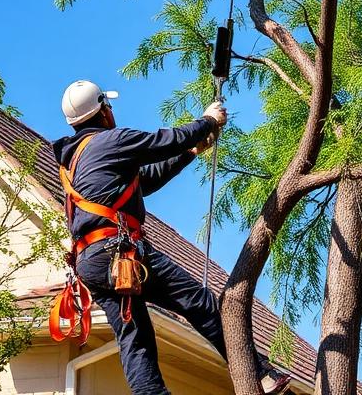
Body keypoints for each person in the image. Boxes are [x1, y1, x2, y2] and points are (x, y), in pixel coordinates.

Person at [52, 80, 291, 395]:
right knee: (199, 302)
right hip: (119, 252)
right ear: (103, 110)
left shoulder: (75, 162)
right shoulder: (112, 141)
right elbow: (162, 141)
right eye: (109, 106)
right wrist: (207, 120)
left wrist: (192, 151)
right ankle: (261, 375)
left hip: (91, 264)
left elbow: (143, 183)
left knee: (135, 341)